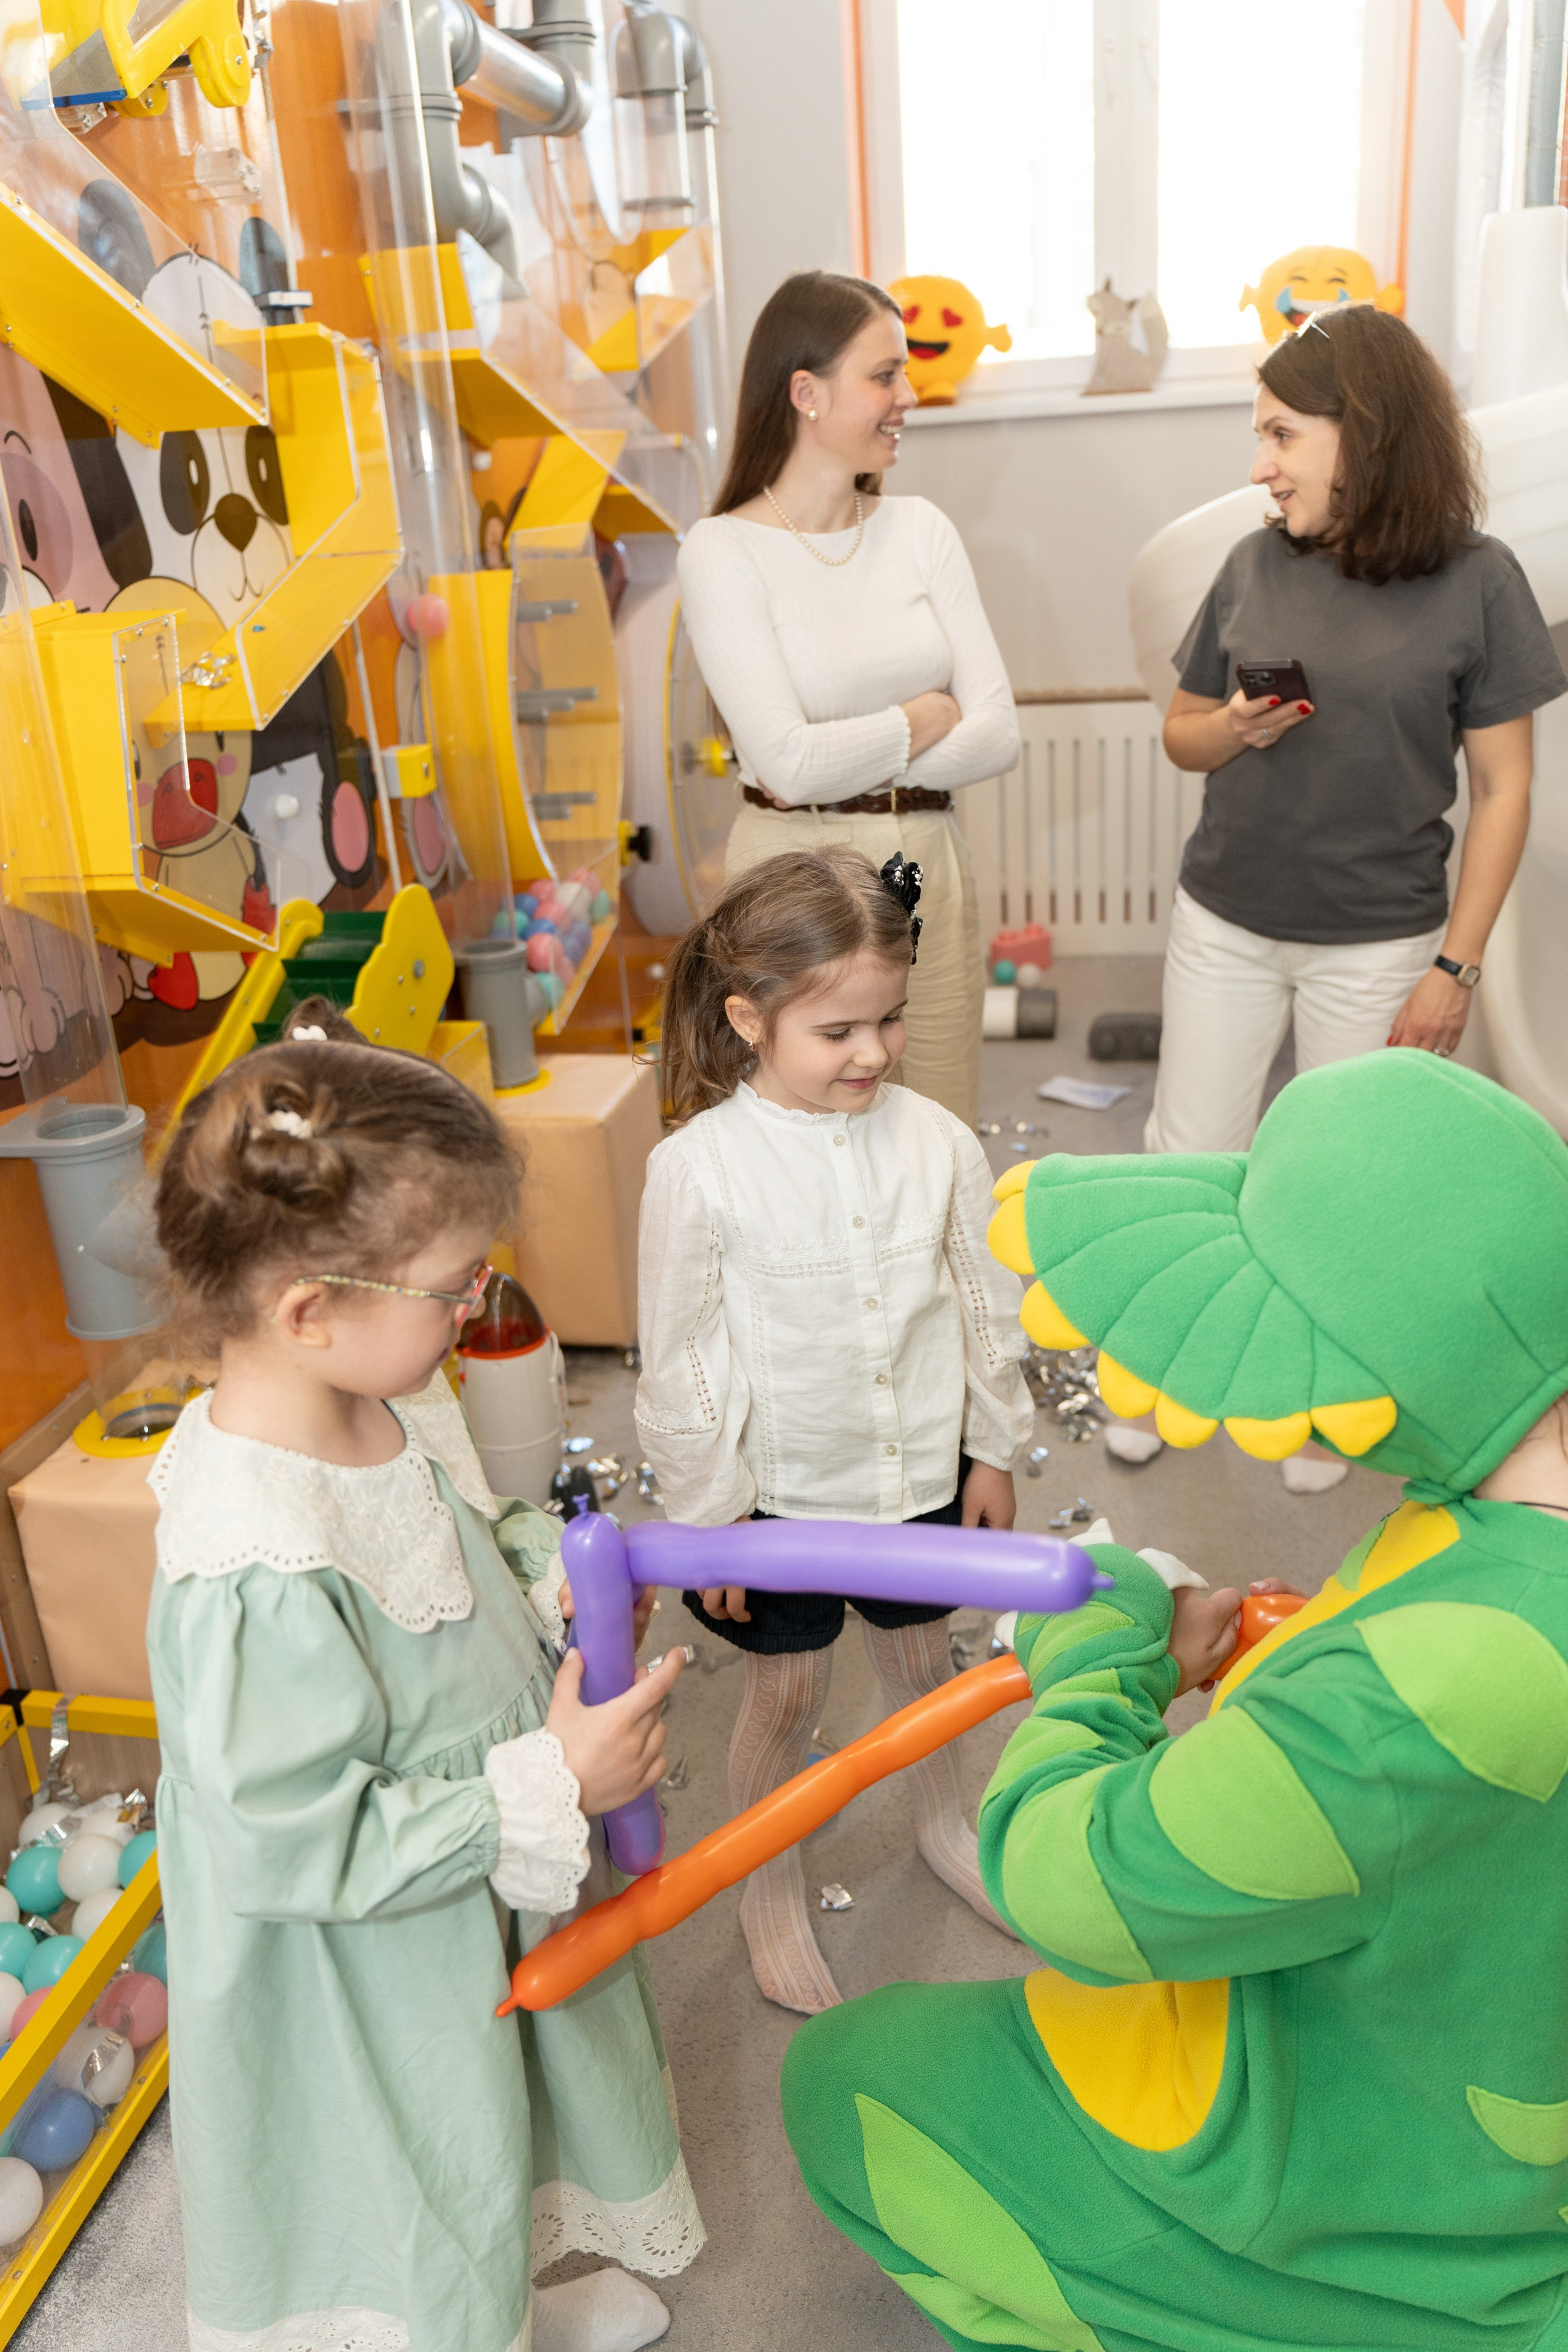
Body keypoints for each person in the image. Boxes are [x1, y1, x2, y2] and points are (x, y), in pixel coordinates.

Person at [783, 1047, 1568, 2352]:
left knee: (848, 2082)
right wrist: (1281, 1651)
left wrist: (1099, 1658)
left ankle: (1336, 2316)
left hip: (1401, 2196)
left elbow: (1071, 1884)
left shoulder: (1433, 1688)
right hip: (1505, 2041)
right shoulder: (1487, 1523)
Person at [146, 1008, 700, 2352]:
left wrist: (540, 1575)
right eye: (454, 1282)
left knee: (495, 2105)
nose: (476, 1304)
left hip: (468, 1892)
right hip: (373, 1936)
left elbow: (446, 1532)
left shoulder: (376, 1389)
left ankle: (503, 2287)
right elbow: (295, 1840)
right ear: (306, 1310)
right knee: (419, 2147)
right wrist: (552, 1782)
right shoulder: (251, 1562)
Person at [633, 848, 1034, 2015]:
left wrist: (994, 1445)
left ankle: (948, 1823)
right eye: (838, 1031)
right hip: (782, 1501)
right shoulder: (698, 1171)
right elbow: (686, 1360)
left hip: (918, 1473)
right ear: (750, 1019)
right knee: (790, 1698)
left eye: (891, 1021)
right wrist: (710, 1528)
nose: (873, 1053)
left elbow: (979, 1302)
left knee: (924, 1672)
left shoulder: (940, 1143)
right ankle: (769, 1879)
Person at [1150, 302, 1566, 1156]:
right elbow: (1183, 734)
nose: (1260, 466)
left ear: (1365, 432)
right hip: (1223, 925)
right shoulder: (1251, 565)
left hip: (1379, 950)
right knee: (1187, 1160)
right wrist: (1234, 726)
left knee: (1345, 1178)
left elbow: (1503, 788)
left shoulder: (1481, 581)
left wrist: (1456, 969)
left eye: (1282, 435)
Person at [677, 270, 1020, 1131]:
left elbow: (998, 735)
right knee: (801, 1145)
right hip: (790, 874)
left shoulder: (920, 530)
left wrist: (843, 747)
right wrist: (920, 717)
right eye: (884, 375)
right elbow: (787, 769)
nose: (908, 396)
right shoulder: (721, 551)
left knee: (937, 1129)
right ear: (807, 393)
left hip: (923, 866)